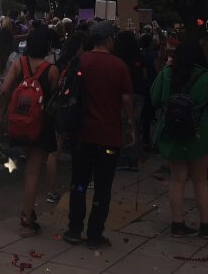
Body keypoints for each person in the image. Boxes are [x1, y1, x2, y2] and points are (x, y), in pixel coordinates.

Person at [62, 20, 134, 248]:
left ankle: (74, 228)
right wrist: (131, 125)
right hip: (108, 136)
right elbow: (126, 100)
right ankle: (94, 233)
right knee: (103, 186)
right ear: (109, 40)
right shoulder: (119, 66)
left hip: (81, 134)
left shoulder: (79, 60)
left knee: (79, 182)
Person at [150, 39, 208, 237]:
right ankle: (205, 225)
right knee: (201, 180)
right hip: (199, 134)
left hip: (172, 132)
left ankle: (177, 223)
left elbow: (154, 99)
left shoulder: (167, 74)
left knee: (177, 179)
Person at [0, 27, 60, 237]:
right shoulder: (51, 70)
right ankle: (26, 220)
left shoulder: (19, 64)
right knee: (33, 172)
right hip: (40, 126)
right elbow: (54, 99)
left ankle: (29, 212)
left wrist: (9, 110)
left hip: (20, 124)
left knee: (28, 170)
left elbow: (4, 89)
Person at [113, 30, 145, 171]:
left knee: (123, 125)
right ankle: (134, 156)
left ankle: (124, 156)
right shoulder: (138, 55)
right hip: (138, 92)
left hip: (122, 94)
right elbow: (143, 74)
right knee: (134, 124)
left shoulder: (116, 58)